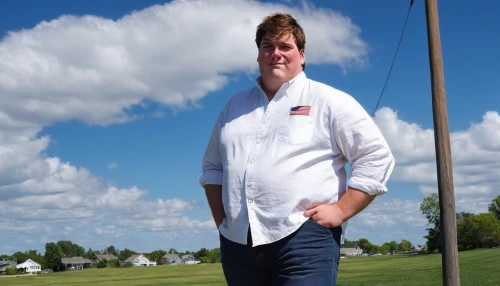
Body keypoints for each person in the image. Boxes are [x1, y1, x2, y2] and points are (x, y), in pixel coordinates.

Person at [200, 13, 394, 285]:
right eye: (267, 46)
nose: (275, 53)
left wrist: (340, 211)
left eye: (285, 47)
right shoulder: (234, 107)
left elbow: (376, 156)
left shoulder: (327, 99)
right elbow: (212, 166)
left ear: (301, 56)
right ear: (258, 55)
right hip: (237, 243)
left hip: (304, 238)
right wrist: (222, 219)